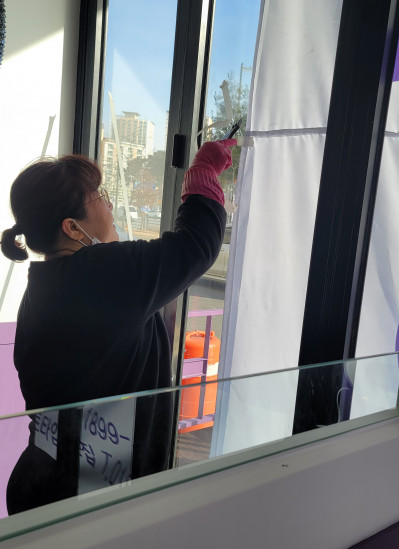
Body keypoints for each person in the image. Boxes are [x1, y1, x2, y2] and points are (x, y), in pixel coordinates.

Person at [1, 138, 236, 514]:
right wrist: (204, 171)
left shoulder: (43, 286)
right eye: (100, 197)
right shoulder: (102, 273)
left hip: (43, 484)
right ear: (72, 227)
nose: (110, 206)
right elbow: (197, 243)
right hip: (97, 496)